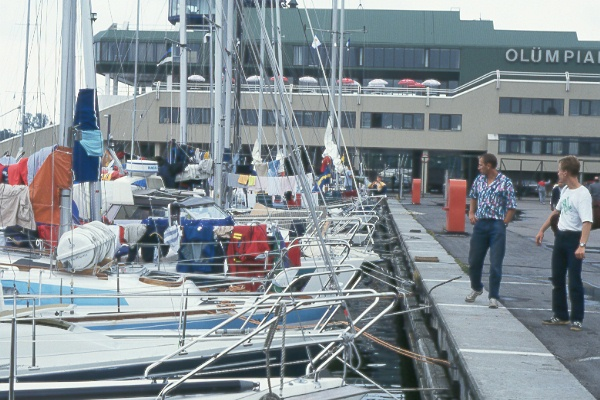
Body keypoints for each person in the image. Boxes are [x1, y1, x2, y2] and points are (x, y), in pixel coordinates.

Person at [535, 156, 592, 332]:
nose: (558, 173)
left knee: (574, 280)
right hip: (560, 237)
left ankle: (577, 319)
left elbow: (587, 222)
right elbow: (556, 213)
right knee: (557, 278)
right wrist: (542, 230)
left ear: (566, 172)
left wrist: (582, 244)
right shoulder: (565, 190)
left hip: (574, 239)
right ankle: (560, 315)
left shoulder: (583, 194)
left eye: (559, 170)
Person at [465, 153, 517, 309]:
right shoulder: (479, 180)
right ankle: (477, 287)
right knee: (474, 261)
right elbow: (473, 196)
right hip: (481, 225)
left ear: (489, 165)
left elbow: (512, 206)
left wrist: (504, 223)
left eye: (481, 164)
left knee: (495, 263)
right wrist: (471, 213)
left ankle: (493, 295)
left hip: (497, 225)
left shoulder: (505, 182)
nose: (478, 167)